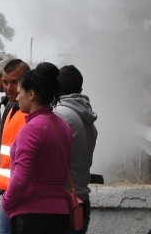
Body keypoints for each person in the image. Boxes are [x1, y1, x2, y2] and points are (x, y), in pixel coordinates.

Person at [2, 62, 72, 234]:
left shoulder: (31, 129)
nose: (17, 98)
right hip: (60, 212)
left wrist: (7, 202)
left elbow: (22, 175)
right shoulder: (62, 125)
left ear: (31, 94)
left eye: (20, 93)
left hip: (31, 213)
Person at [0, 58, 30, 234]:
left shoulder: (31, 113)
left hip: (21, 196)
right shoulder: (12, 107)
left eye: (15, 82)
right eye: (5, 82)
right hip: (9, 192)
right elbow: (7, 155)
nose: (9, 88)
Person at [55, 65, 98, 234]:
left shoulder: (59, 116)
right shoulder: (86, 117)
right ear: (80, 89)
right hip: (81, 201)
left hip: (63, 204)